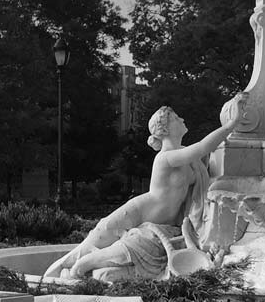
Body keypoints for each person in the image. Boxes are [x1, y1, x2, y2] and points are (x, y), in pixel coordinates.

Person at [44, 93, 248, 279]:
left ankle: (77, 270)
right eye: (177, 118)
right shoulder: (167, 158)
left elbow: (205, 162)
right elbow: (204, 147)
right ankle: (56, 270)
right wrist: (232, 124)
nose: (183, 120)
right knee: (95, 238)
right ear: (166, 128)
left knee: (101, 246)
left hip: (162, 223)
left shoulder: (187, 157)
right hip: (140, 211)